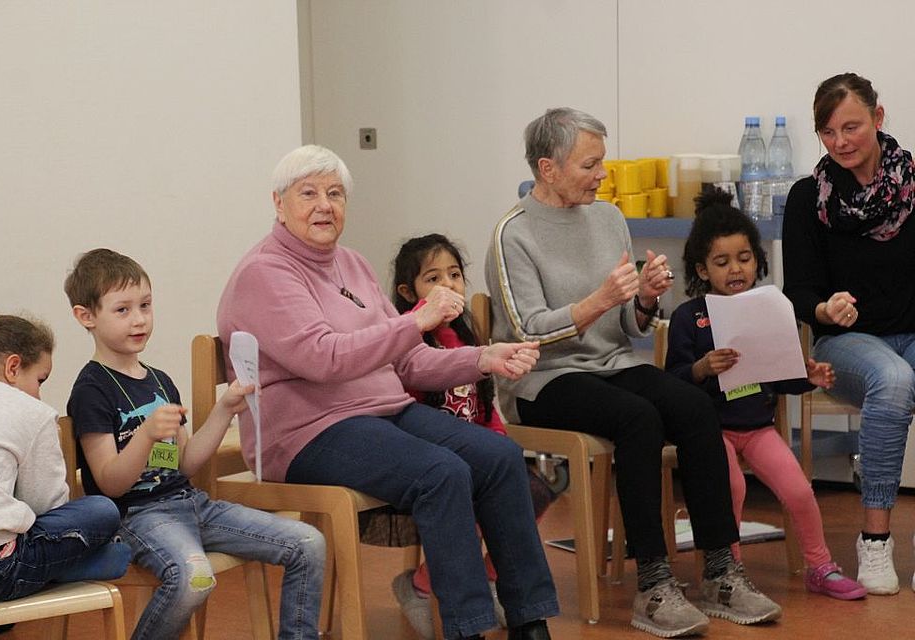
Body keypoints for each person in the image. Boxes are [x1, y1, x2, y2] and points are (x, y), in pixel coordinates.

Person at [216, 145, 558, 640]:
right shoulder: (263, 273)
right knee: (441, 472)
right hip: (306, 431)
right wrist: (415, 321)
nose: (324, 205)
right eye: (308, 194)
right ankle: (468, 628)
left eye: (335, 194)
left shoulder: (352, 264)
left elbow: (408, 361)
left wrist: (482, 358)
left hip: (381, 412)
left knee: (500, 457)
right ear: (279, 204)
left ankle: (531, 623)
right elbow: (324, 358)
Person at [485, 107, 781, 638]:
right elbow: (528, 331)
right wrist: (599, 300)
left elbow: (627, 323)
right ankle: (654, 583)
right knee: (638, 418)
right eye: (589, 165)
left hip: (611, 363)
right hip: (541, 379)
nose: (602, 175)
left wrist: (643, 299)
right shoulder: (514, 233)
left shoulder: (607, 217)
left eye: (601, 162)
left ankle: (720, 572)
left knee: (694, 406)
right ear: (548, 169)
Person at [64, 248, 326, 640]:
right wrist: (145, 435)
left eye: (145, 305)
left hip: (191, 503)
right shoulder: (91, 390)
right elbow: (110, 482)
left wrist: (224, 409)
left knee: (308, 543)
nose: (139, 319)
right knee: (194, 578)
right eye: (122, 310)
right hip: (137, 517)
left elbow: (183, 463)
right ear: (86, 316)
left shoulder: (159, 380)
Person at [665, 189, 867, 601]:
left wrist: (809, 375)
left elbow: (781, 376)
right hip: (710, 431)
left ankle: (820, 566)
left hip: (757, 427)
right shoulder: (689, 317)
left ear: (757, 260)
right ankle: (728, 572)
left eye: (744, 258)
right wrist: (703, 367)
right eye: (722, 262)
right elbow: (673, 382)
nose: (735, 269)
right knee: (732, 487)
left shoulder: (770, 307)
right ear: (702, 269)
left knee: (799, 490)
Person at [783, 72, 915, 596]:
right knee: (894, 379)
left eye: (851, 127)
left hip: (910, 334)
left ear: (878, 118)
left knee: (900, 371)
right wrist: (824, 308)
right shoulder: (807, 198)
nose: (839, 142)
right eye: (827, 132)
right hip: (844, 344)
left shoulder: (913, 187)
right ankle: (874, 541)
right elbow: (798, 293)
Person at [390, 233, 557, 638]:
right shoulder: (406, 342)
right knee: (464, 498)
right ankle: (421, 584)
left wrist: (501, 445)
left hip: (479, 455)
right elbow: (407, 415)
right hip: (437, 458)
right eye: (433, 279)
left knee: (532, 491)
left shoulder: (467, 336)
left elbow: (485, 407)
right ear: (408, 293)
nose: (448, 286)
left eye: (454, 275)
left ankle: (493, 580)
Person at [0, 312, 130, 606]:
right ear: (12, 367)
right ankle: (95, 561)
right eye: (40, 380)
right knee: (103, 513)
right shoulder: (33, 412)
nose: (38, 394)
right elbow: (47, 506)